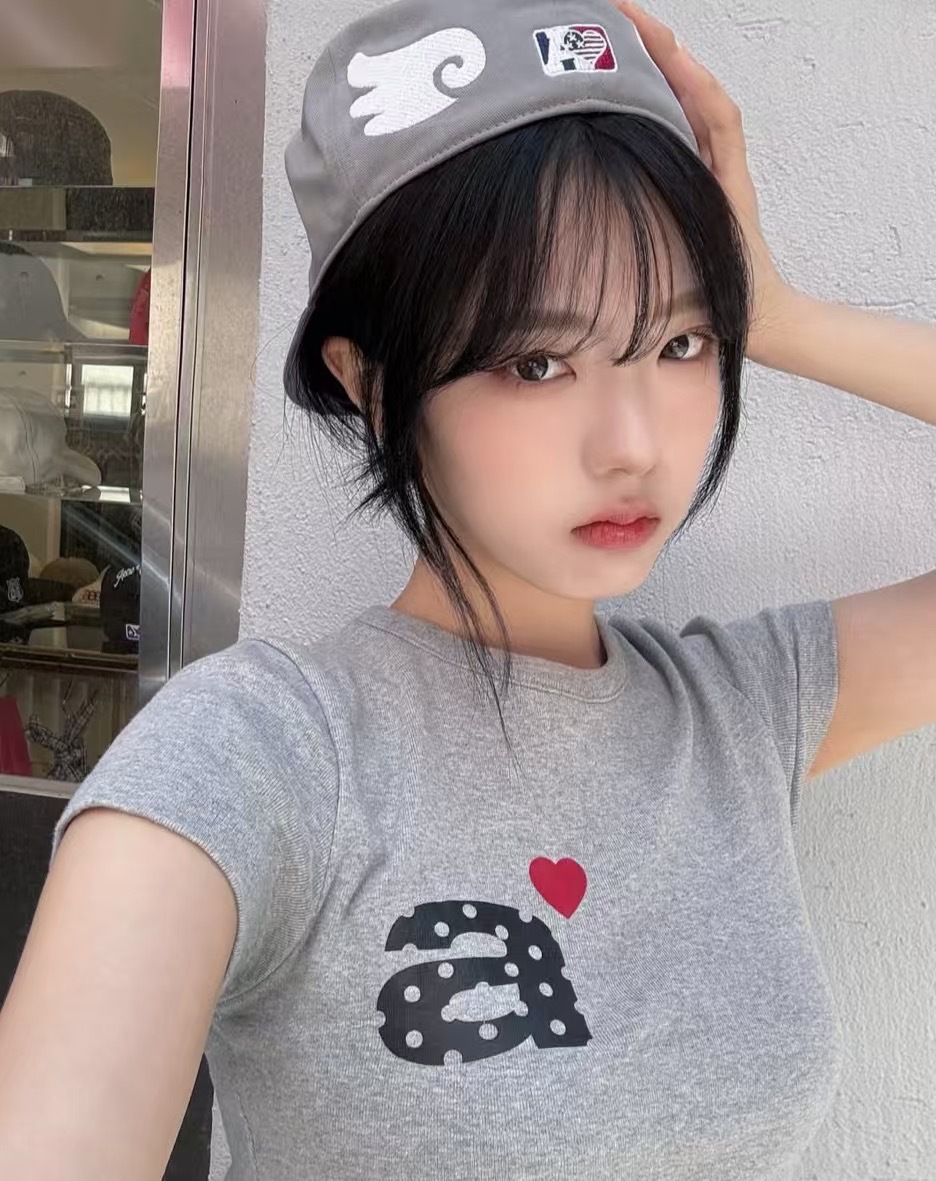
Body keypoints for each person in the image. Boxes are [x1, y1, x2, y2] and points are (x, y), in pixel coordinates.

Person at [1, 1, 935, 1178]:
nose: (633, 444)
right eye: (535, 362)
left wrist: (783, 316)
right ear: (374, 383)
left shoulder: (744, 711)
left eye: (681, 344)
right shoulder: (263, 750)